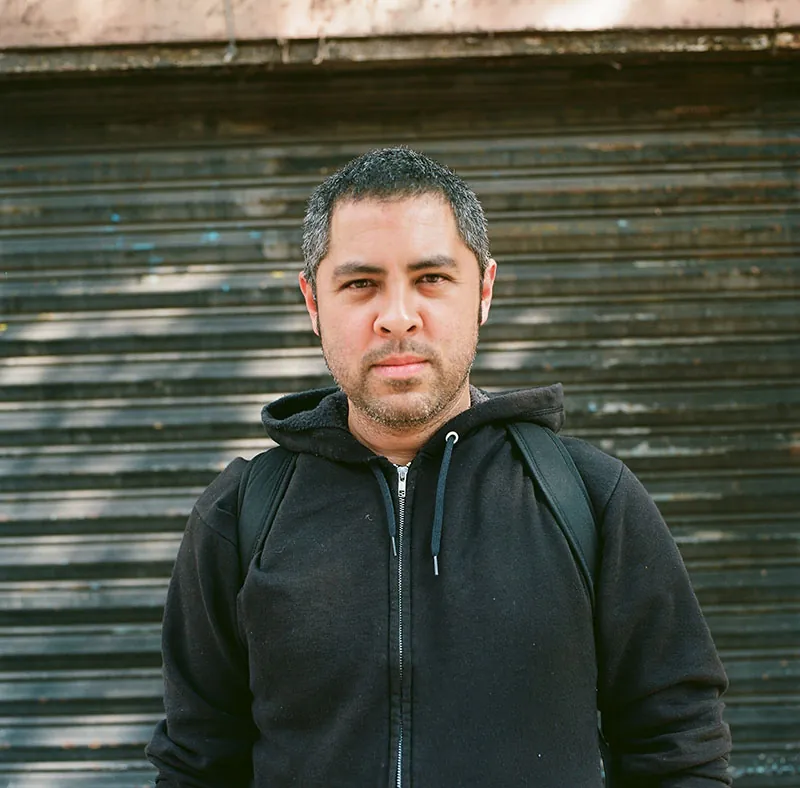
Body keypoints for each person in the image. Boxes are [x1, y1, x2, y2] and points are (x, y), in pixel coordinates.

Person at [146, 147, 732, 787]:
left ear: (483, 292)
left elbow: (680, 747)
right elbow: (195, 765)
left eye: (431, 278)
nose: (397, 317)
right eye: (360, 283)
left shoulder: (590, 498)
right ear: (313, 303)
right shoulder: (239, 516)